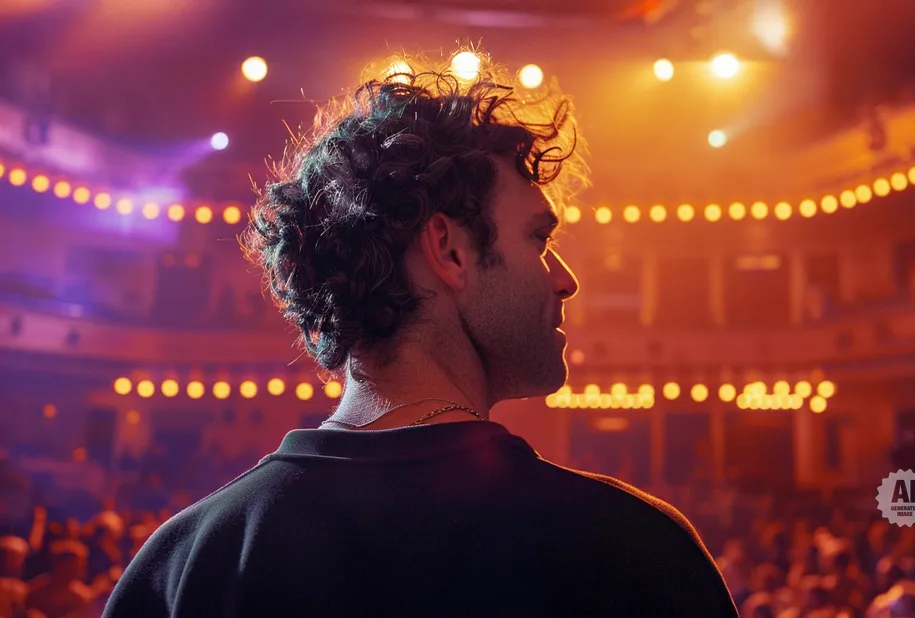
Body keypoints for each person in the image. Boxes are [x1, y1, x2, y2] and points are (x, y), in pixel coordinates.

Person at [103, 53, 737, 617]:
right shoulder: (630, 553)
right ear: (448, 249)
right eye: (538, 241)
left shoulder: (185, 567)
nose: (565, 281)